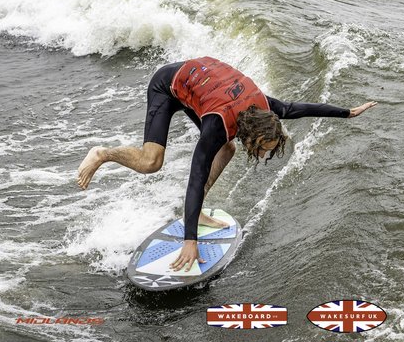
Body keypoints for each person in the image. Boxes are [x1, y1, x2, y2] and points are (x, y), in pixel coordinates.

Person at [77, 57, 377, 273]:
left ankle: (197, 213)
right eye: (262, 148)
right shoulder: (218, 126)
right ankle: (103, 154)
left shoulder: (263, 107)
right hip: (167, 86)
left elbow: (296, 108)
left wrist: (347, 112)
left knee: (228, 149)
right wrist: (190, 241)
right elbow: (196, 177)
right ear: (252, 134)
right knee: (151, 161)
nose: (263, 155)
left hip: (200, 86)